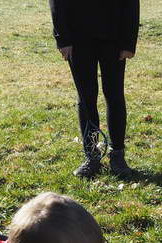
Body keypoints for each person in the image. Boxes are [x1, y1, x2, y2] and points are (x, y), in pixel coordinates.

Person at [49, 0, 139, 179]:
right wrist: (62, 38)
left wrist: (128, 42)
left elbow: (131, 3)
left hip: (114, 37)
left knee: (114, 94)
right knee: (86, 98)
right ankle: (92, 157)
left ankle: (117, 156)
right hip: (77, 38)